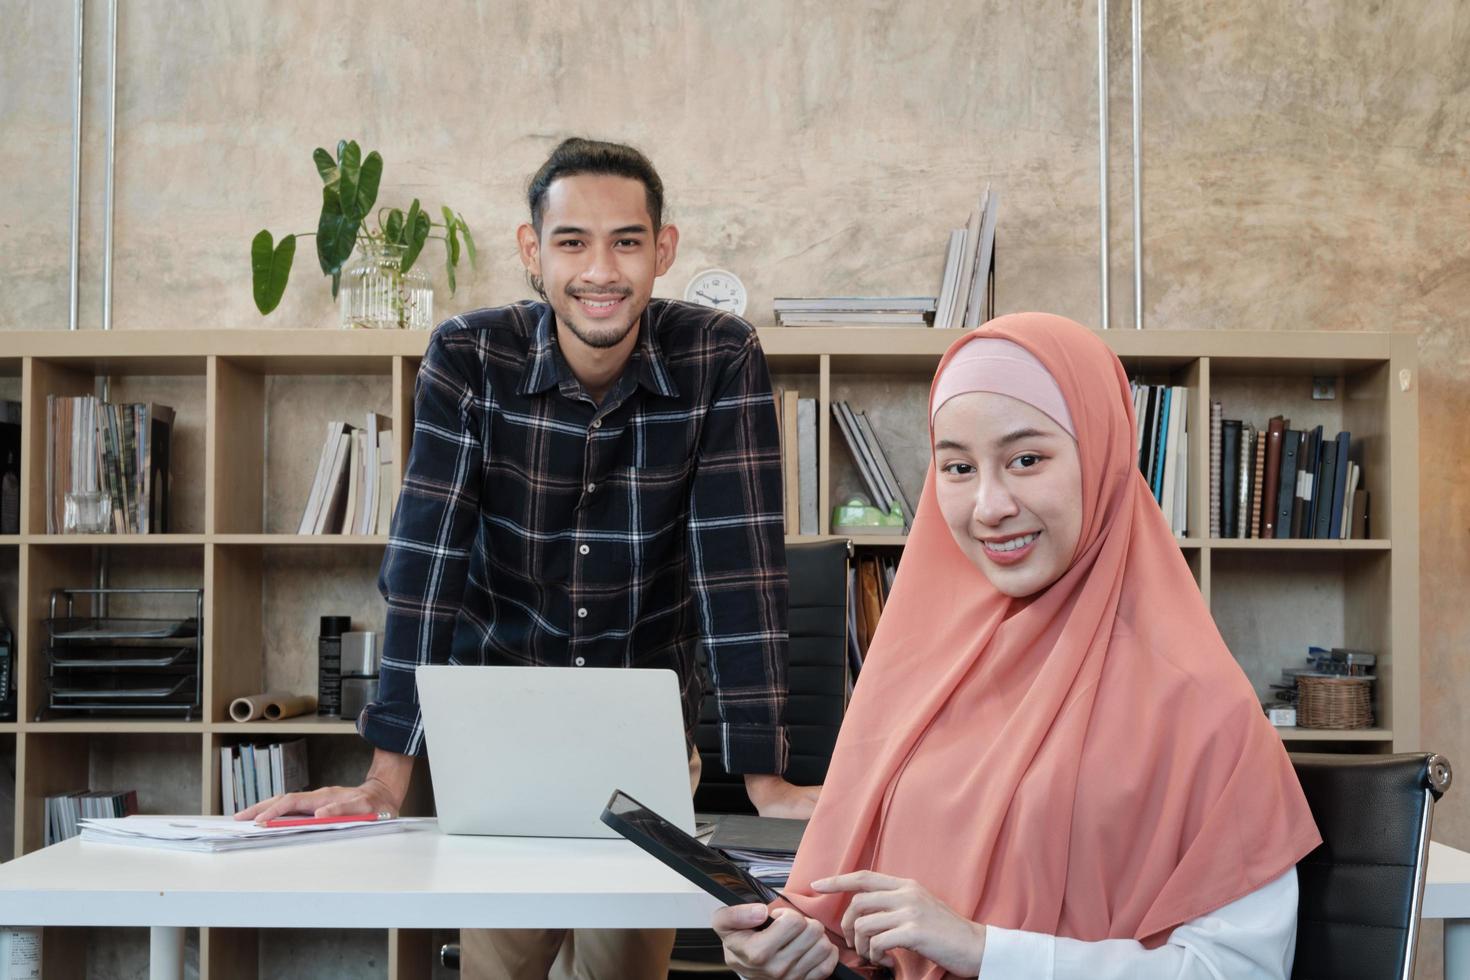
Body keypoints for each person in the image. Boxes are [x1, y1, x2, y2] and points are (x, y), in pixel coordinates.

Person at [239, 137, 819, 979]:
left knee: (622, 969)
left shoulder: (719, 358)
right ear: (532, 252)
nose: (601, 271)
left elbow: (739, 566)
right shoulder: (470, 357)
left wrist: (766, 783)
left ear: (664, 250)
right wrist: (385, 778)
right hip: (499, 734)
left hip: (642, 733)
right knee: (500, 966)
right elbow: (427, 562)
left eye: (626, 241)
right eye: (572, 242)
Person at [713, 313, 1322, 980]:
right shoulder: (921, 673)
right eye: (957, 467)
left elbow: (1239, 971)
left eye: (1026, 459)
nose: (988, 505)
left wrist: (985, 950)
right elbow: (862, 930)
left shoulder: (1206, 709)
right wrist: (784, 950)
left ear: (1103, 457)